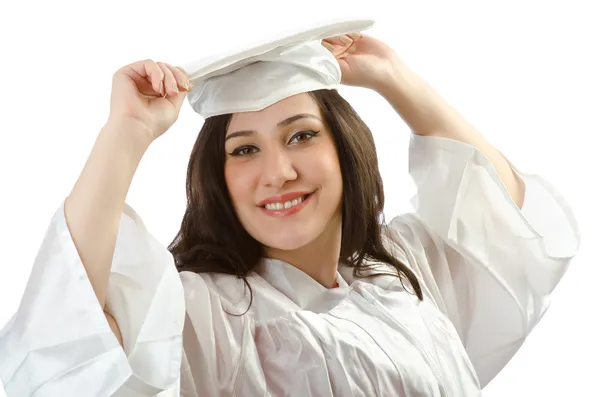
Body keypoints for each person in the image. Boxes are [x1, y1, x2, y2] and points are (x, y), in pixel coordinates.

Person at [0, 18, 580, 396]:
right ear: (218, 179)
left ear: (343, 149)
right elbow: (62, 334)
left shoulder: (401, 272)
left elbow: (510, 220)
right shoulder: (211, 315)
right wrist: (124, 135)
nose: (278, 172)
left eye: (302, 135)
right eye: (244, 149)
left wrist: (393, 77)